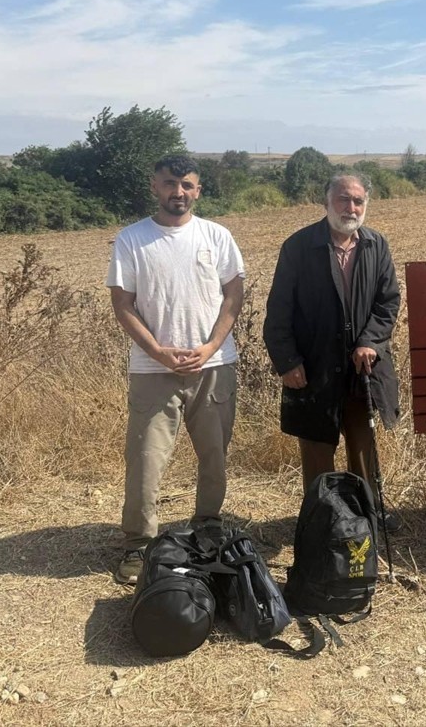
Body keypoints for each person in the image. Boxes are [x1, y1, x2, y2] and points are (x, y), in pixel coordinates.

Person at [106, 154, 246, 585]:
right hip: (153, 369)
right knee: (146, 460)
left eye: (186, 185)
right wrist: (159, 351)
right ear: (154, 186)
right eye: (170, 184)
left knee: (214, 457)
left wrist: (209, 347)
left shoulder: (217, 236)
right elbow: (123, 306)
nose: (178, 192)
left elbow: (233, 297)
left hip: (215, 365)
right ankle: (138, 545)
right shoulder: (131, 240)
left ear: (198, 190)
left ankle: (207, 526)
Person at [263, 173, 401, 514]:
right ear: (326, 202)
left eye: (358, 201)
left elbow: (388, 303)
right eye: (343, 199)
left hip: (362, 372)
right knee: (316, 453)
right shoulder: (298, 246)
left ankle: (370, 516)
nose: (350, 207)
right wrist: (287, 361)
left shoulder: (376, 245)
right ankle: (321, 522)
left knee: (363, 449)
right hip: (312, 370)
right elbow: (279, 310)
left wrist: (370, 341)